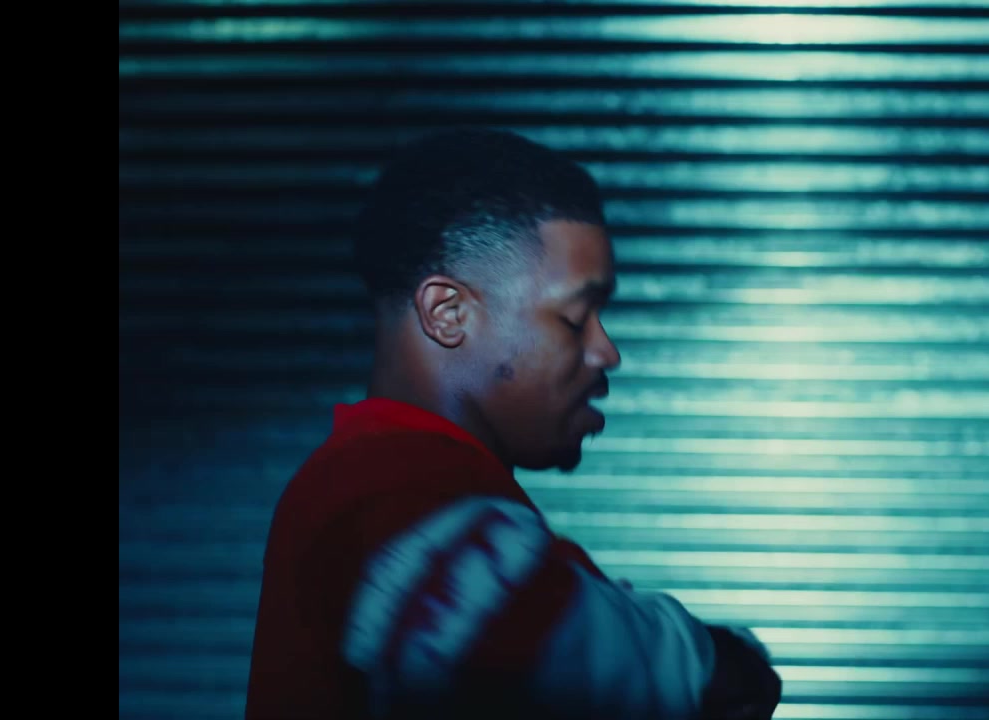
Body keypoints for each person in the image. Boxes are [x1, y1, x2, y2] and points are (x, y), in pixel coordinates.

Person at [244, 127, 782, 719]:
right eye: (575, 318)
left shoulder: (428, 490)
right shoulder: (381, 490)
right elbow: (544, 645)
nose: (606, 351)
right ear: (448, 313)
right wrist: (721, 664)